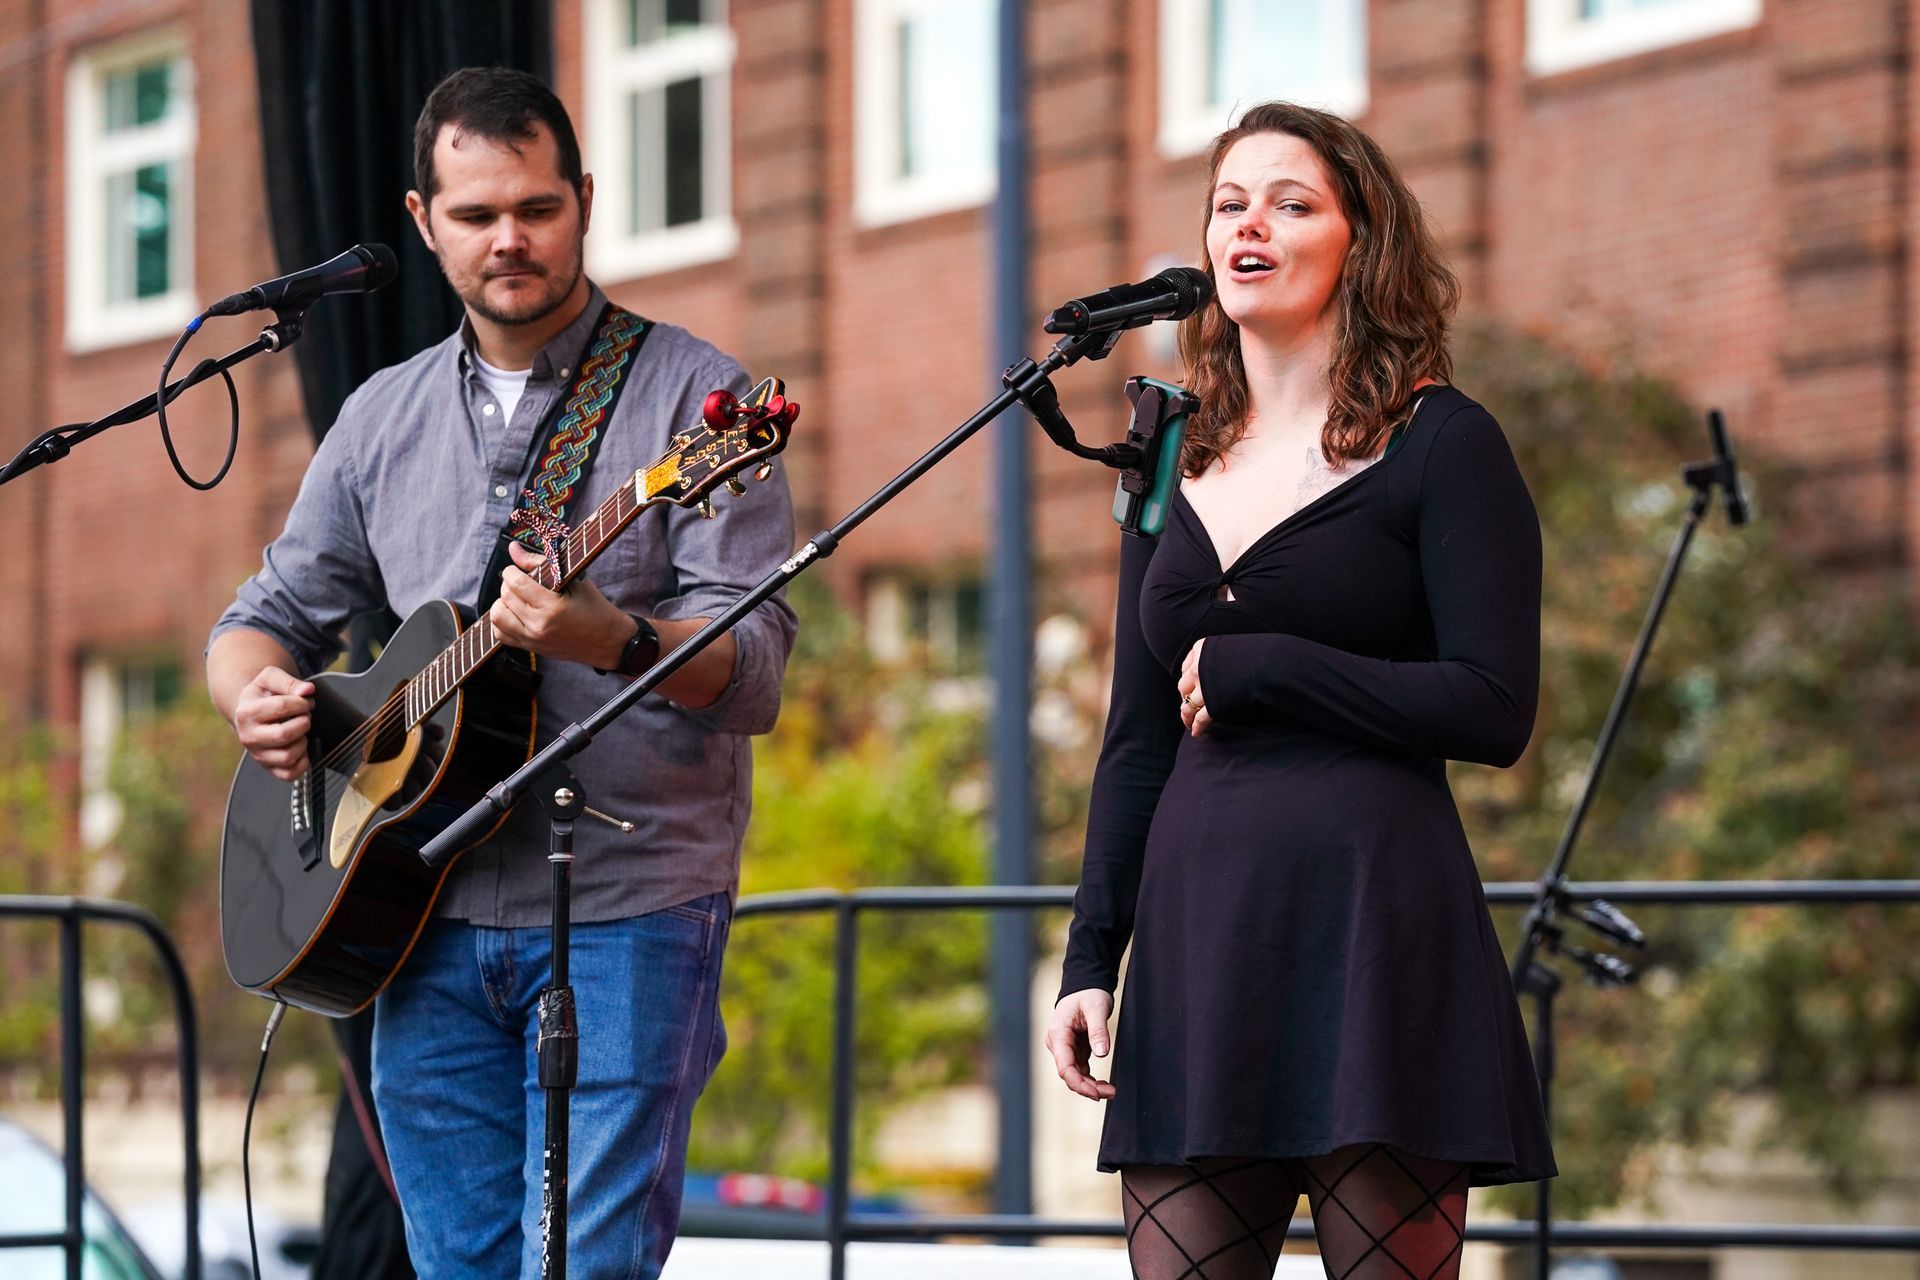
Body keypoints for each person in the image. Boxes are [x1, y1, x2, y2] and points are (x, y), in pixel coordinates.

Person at [207, 67, 796, 1279]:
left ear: (585, 199)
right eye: (475, 216)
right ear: (424, 221)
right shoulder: (379, 418)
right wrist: (253, 694)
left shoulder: (700, 398)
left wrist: (611, 637)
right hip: (416, 909)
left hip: (628, 902)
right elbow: (263, 616)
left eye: (536, 207)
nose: (509, 239)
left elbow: (757, 672)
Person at [1044, 101, 1555, 1280]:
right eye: (1230, 203)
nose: (1249, 225)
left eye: (1291, 201)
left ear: (1358, 238)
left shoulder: (1442, 442)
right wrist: (1089, 957)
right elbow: (1135, 738)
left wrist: (1271, 667)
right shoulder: (1169, 448)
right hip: (1200, 939)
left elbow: (1493, 705)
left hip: (1373, 927)